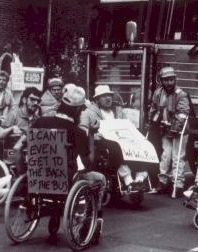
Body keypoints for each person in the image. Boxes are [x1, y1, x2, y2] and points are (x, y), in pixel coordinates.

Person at [33, 83, 106, 241]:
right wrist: (91, 134)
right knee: (100, 179)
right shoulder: (77, 132)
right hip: (65, 181)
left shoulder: (39, 122)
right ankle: (90, 224)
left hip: (38, 178)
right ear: (78, 110)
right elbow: (89, 164)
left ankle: (54, 214)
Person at [80, 85, 147, 191]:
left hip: (122, 140)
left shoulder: (118, 111)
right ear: (97, 99)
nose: (108, 98)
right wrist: (92, 135)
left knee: (140, 144)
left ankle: (140, 179)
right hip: (102, 144)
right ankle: (128, 179)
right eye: (104, 96)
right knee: (116, 146)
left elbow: (127, 126)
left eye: (109, 96)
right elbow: (82, 129)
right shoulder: (89, 112)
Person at [149, 66, 190, 197]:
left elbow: (183, 113)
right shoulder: (158, 93)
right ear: (161, 81)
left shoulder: (181, 94)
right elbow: (154, 109)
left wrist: (174, 128)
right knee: (166, 156)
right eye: (166, 80)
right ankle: (163, 181)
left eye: (172, 79)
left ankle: (178, 184)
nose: (169, 83)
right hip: (165, 129)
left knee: (178, 157)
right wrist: (154, 121)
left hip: (179, 130)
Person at [0, 87, 42, 171]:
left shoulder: (37, 119)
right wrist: (12, 128)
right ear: (24, 100)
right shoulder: (14, 115)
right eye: (32, 99)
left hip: (31, 158)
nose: (35, 103)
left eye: (38, 101)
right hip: (12, 158)